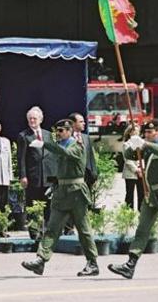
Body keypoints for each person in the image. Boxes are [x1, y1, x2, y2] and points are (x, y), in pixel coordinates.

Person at [108, 119, 158, 280]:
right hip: (150, 194)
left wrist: (144, 143)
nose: (146, 134)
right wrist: (130, 144)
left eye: (149, 132)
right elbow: (130, 155)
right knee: (142, 230)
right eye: (145, 132)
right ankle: (130, 264)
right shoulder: (148, 148)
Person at [21, 119, 99, 277]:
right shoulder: (60, 146)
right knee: (52, 228)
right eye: (57, 131)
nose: (58, 133)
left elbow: (66, 154)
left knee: (83, 230)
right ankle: (41, 260)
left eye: (62, 131)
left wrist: (46, 144)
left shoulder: (76, 146)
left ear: (69, 131)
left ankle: (92, 263)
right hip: (61, 192)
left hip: (76, 192)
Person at [17, 106, 56, 239]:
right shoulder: (24, 136)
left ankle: (48, 233)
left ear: (40, 119)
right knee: (32, 205)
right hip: (33, 176)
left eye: (34, 118)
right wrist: (23, 176)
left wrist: (55, 175)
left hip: (48, 176)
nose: (32, 120)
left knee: (48, 205)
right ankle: (34, 233)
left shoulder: (48, 134)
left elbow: (52, 156)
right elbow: (21, 158)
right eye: (30, 118)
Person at [122, 124, 144, 211]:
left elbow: (144, 157)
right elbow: (127, 160)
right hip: (131, 173)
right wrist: (136, 170)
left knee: (141, 193)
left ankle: (141, 212)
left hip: (141, 171)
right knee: (130, 194)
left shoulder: (142, 143)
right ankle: (129, 213)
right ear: (130, 133)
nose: (136, 133)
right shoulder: (126, 144)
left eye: (137, 131)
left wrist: (142, 168)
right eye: (134, 131)